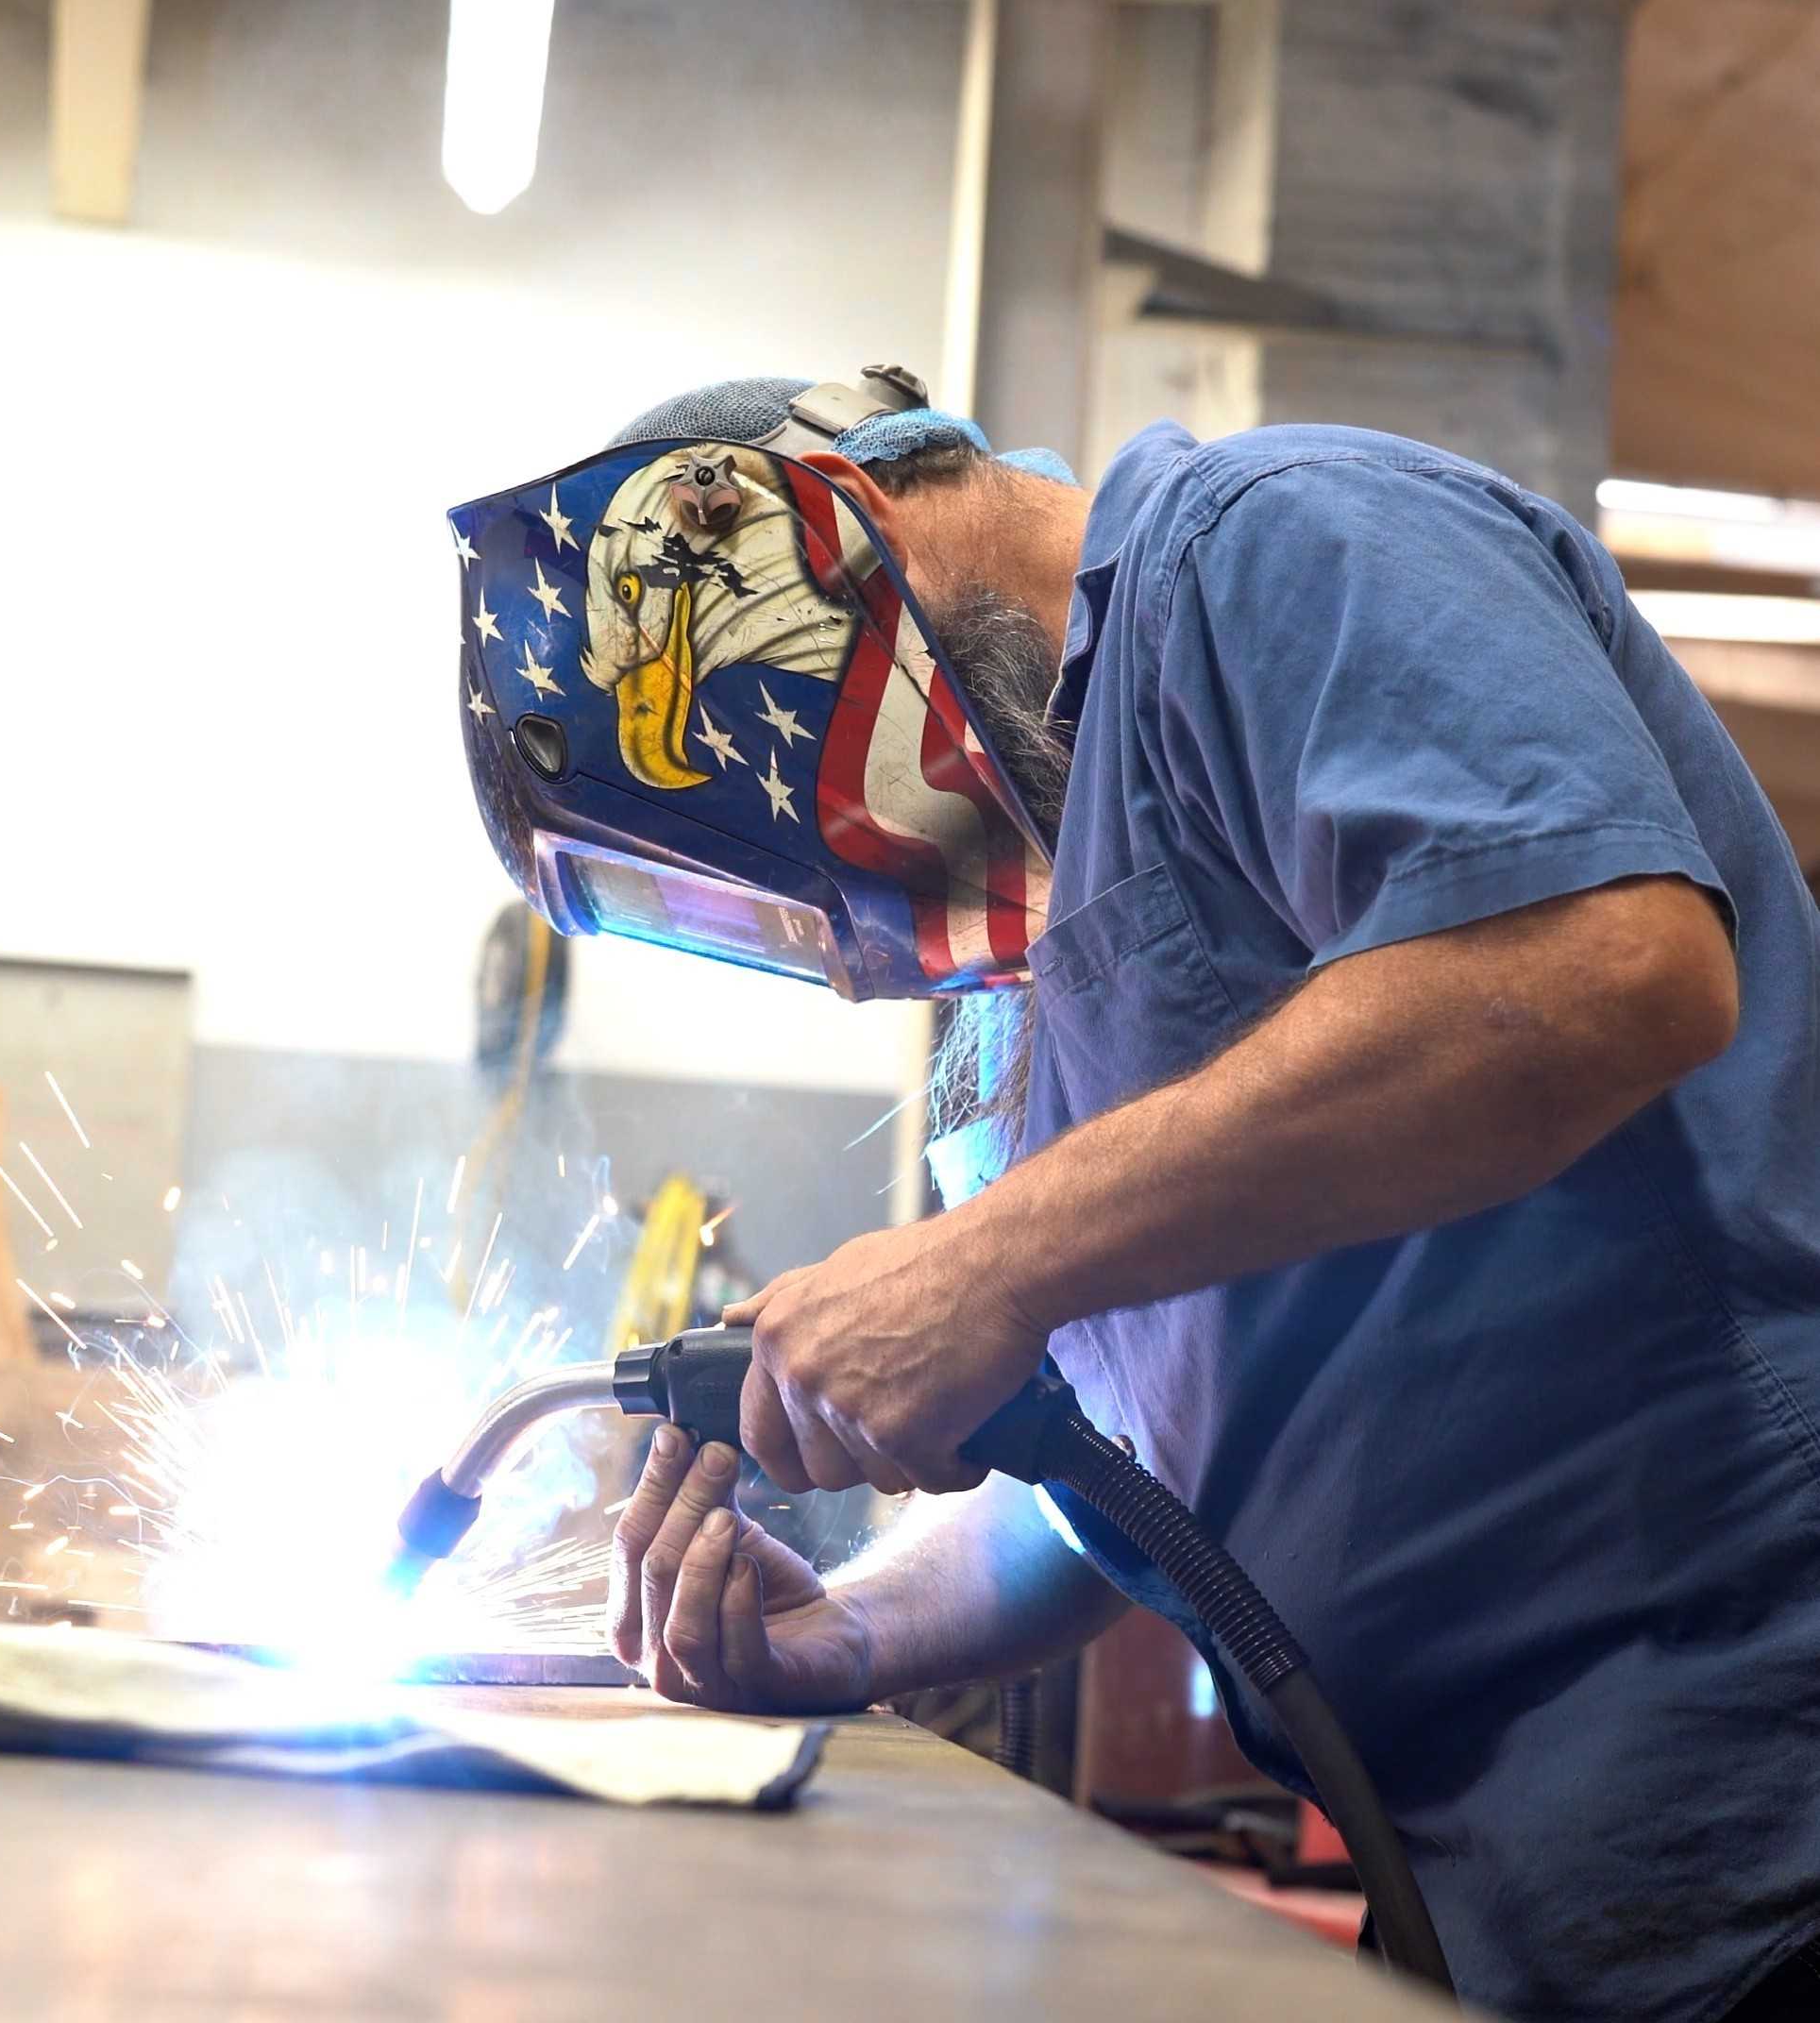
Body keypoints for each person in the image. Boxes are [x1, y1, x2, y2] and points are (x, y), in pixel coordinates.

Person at [449, 379, 1820, 2023]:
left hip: (1761, 1798)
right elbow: (1113, 1478)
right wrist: (856, 1630)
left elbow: (1603, 968)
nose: (836, 950)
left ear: (790, 550)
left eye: (752, 864)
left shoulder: (1275, 540)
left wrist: (986, 1268)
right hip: (1523, 1900)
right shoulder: (1019, 1020)